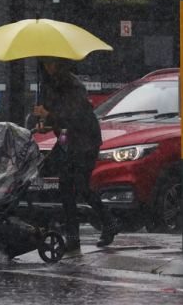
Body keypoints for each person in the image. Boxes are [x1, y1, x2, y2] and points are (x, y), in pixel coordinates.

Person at [32, 57, 121, 252]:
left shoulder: (73, 85)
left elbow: (72, 115)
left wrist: (48, 115)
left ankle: (109, 222)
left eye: (52, 63)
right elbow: (59, 119)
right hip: (66, 138)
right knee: (66, 188)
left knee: (80, 185)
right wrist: (44, 122)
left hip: (85, 140)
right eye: (45, 64)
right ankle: (73, 238)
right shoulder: (49, 84)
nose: (49, 67)